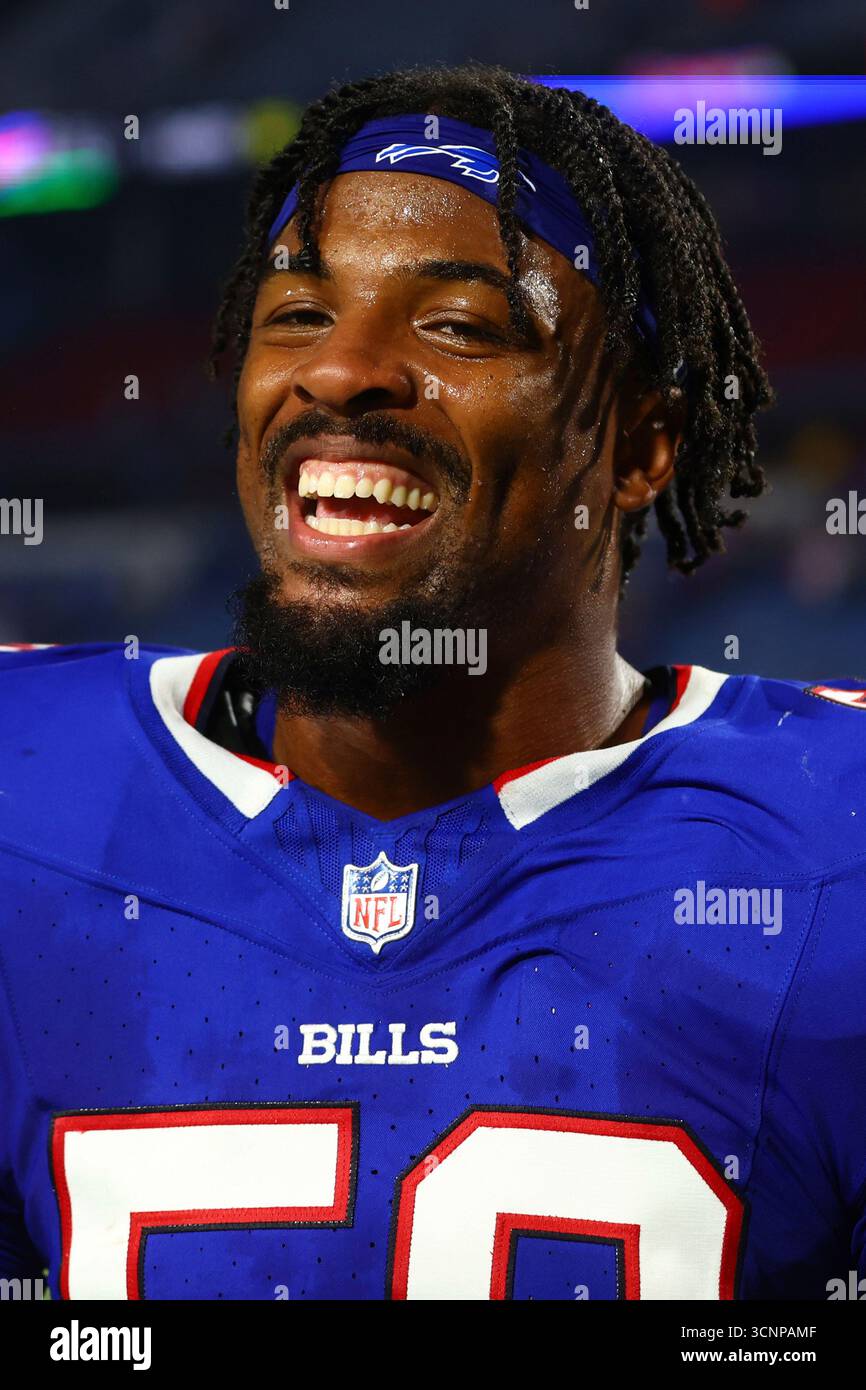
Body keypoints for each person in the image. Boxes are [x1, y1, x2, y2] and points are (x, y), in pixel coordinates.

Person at [1, 65, 863, 1301]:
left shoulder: (831, 845)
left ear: (637, 444)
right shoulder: (23, 795)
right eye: (296, 314)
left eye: (459, 325)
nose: (341, 371)